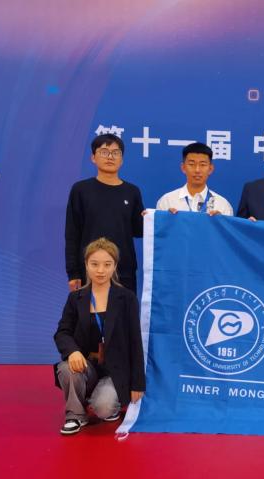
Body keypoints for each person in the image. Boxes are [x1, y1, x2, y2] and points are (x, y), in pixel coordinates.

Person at [54, 238, 145, 435]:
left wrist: (138, 384)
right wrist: (73, 351)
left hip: (116, 370)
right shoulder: (75, 298)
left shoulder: (127, 298)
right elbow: (62, 332)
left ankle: (102, 399)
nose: (100, 270)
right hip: (88, 366)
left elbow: (135, 342)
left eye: (107, 264)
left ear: (115, 266)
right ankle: (75, 415)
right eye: (94, 264)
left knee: (104, 408)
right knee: (66, 368)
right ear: (86, 265)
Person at [64, 134, 145, 293]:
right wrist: (73, 273)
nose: (110, 157)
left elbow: (139, 230)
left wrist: (163, 219)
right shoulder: (81, 190)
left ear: (122, 160)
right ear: (93, 157)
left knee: (124, 310)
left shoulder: (132, 191)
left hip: (124, 271)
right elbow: (72, 233)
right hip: (90, 270)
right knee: (90, 310)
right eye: (104, 152)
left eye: (115, 153)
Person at [155, 142, 234, 216]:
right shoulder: (167, 201)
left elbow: (227, 227)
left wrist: (221, 221)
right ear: (183, 167)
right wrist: (167, 220)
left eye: (202, 164)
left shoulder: (222, 205)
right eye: (191, 164)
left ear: (210, 169)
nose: (197, 170)